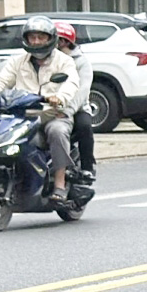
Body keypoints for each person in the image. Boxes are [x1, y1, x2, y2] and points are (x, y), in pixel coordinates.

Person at [0, 15, 80, 200]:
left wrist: (59, 98)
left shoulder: (64, 61)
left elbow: (71, 83)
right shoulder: (18, 61)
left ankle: (59, 183)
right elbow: (2, 81)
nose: (36, 41)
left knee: (57, 132)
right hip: (22, 116)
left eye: (41, 37)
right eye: (32, 37)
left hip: (52, 114)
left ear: (51, 39)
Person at [53, 21, 95, 179]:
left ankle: (87, 167)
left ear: (64, 42)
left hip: (75, 108)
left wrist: (67, 111)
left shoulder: (82, 62)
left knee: (84, 127)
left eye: (53, 39)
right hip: (47, 107)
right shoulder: (46, 59)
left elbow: (82, 90)